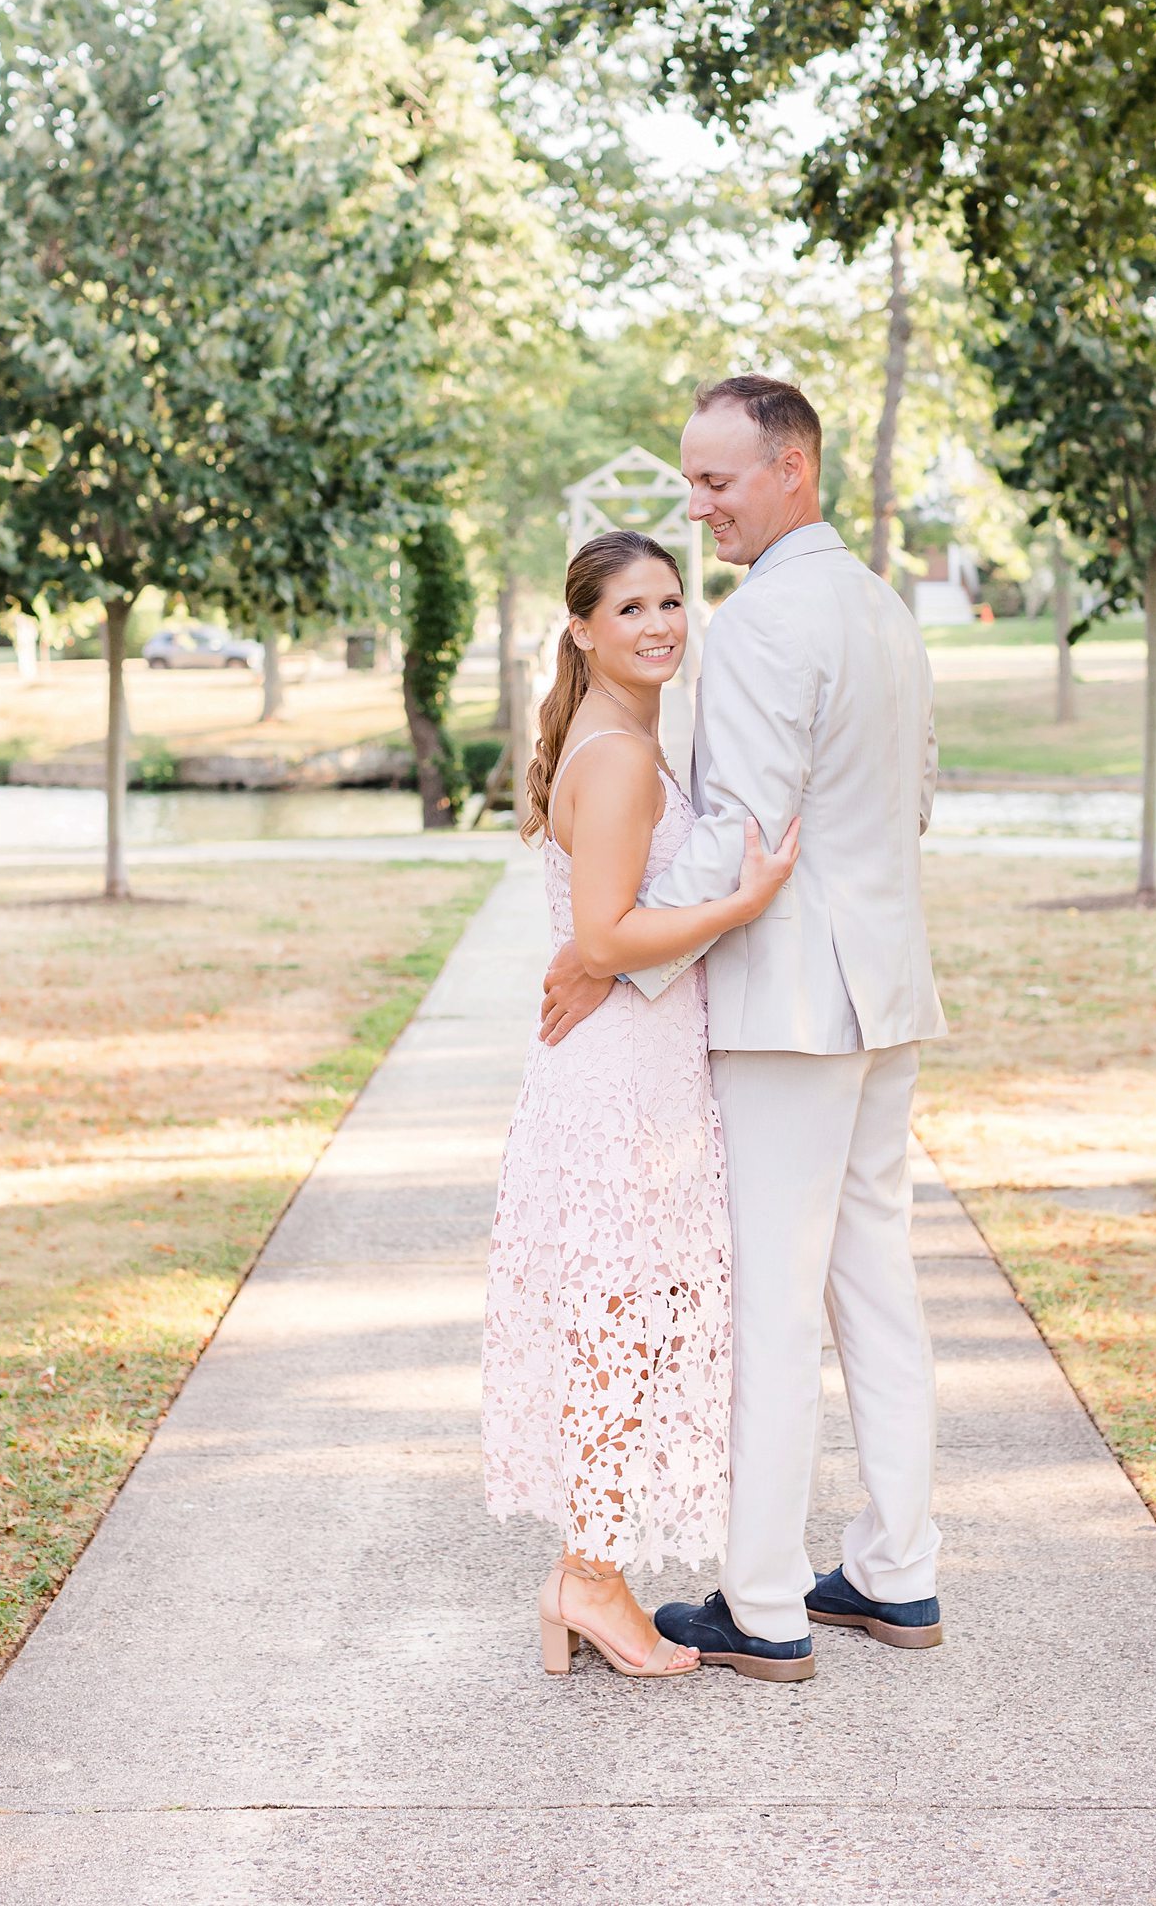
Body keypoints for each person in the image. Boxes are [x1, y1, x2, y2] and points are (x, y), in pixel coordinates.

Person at [541, 375, 947, 1683]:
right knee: (876, 1286)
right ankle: (898, 1572)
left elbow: (739, 832)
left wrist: (604, 954)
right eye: (690, 478)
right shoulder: (882, 606)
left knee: (773, 1304)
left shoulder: (769, 618)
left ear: (794, 472)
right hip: (883, 990)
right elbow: (916, 799)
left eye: (719, 480)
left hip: (786, 1005)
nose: (698, 504)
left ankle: (766, 1603)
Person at [480, 528, 799, 1681]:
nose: (660, 624)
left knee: (633, 1326)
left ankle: (589, 1570)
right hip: (616, 1081)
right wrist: (745, 900)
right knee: (620, 1329)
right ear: (580, 628)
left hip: (640, 1074)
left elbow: (599, 936)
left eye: (672, 601)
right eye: (630, 609)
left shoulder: (621, 737)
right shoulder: (613, 755)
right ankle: (591, 1578)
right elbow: (607, 938)